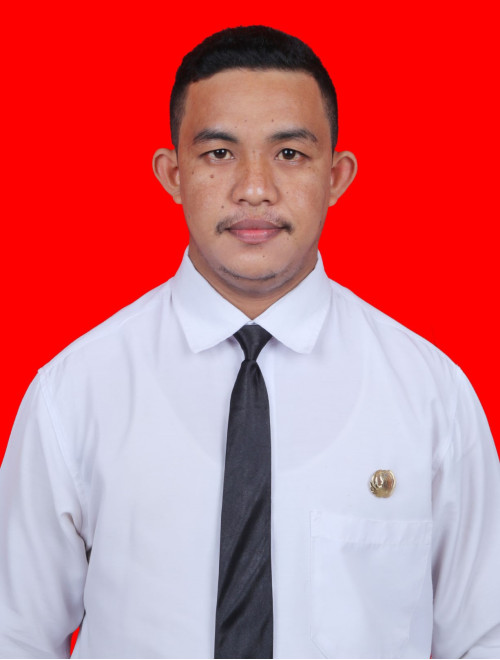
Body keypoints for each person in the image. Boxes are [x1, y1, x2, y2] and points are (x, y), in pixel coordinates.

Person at [1, 25, 499, 660]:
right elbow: (15, 636)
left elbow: (484, 639)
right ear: (172, 173)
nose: (255, 188)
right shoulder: (74, 393)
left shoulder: (431, 396)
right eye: (219, 153)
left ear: (337, 176)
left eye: (289, 153)